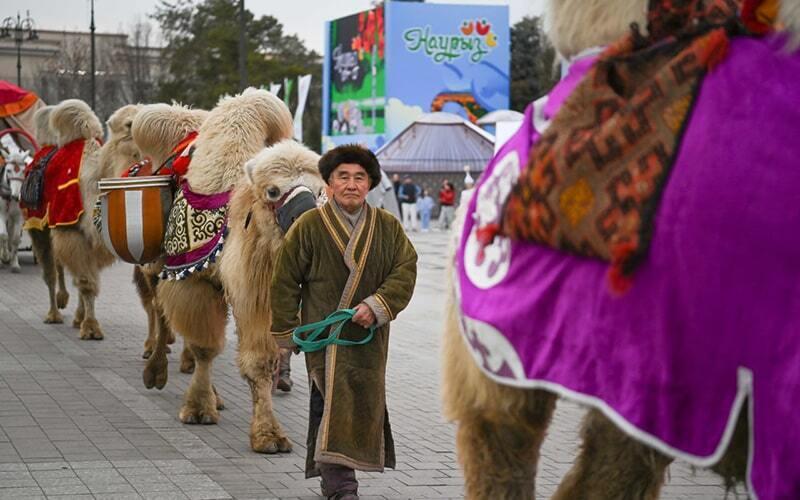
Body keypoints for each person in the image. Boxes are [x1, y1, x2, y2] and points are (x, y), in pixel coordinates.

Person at [270, 144, 418, 500]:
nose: (351, 184)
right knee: (328, 402)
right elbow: (285, 280)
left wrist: (378, 305)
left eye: (359, 178)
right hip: (325, 338)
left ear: (369, 184)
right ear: (329, 184)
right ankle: (341, 486)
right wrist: (284, 334)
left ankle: (333, 477)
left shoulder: (387, 227)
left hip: (369, 337)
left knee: (361, 403)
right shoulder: (309, 226)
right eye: (343, 177)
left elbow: (405, 269)